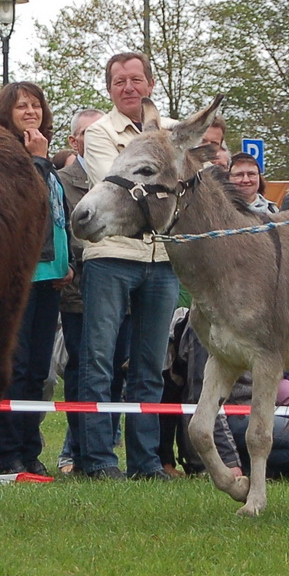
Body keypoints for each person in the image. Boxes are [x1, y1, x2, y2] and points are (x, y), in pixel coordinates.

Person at [76, 52, 178, 480]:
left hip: (165, 259)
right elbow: (122, 187)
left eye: (136, 79)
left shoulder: (173, 130)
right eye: (119, 81)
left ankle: (146, 462)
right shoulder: (99, 132)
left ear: (150, 84)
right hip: (110, 255)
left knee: (150, 365)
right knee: (98, 360)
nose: (128, 87)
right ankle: (98, 459)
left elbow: (189, 186)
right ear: (109, 89)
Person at [0, 82, 68, 476]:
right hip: (15, 278)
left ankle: (30, 450)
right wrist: (38, 160)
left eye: (36, 105)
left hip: (49, 276)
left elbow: (57, 214)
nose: (31, 112)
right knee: (14, 368)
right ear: (7, 113)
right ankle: (4, 453)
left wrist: (67, 260)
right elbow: (25, 203)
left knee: (39, 371)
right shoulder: (1, 154)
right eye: (22, 106)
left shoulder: (43, 156)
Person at [56, 107, 105, 474]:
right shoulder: (61, 181)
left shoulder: (118, 175)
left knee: (112, 371)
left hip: (118, 293)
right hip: (78, 292)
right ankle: (77, 451)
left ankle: (101, 448)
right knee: (82, 370)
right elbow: (65, 231)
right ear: (74, 141)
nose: (96, 137)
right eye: (88, 132)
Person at [228, 151, 276, 215]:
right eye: (239, 175)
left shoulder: (272, 210)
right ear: (228, 178)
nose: (246, 180)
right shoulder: (219, 211)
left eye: (251, 174)